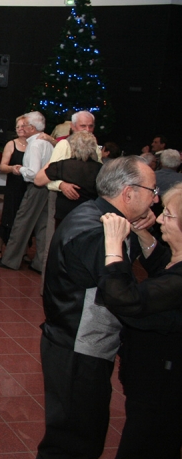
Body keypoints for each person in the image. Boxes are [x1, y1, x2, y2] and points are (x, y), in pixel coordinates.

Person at [37, 156, 158, 459]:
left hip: (69, 342)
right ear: (128, 192)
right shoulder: (100, 231)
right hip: (79, 350)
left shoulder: (94, 214)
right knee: (76, 440)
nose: (155, 199)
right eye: (152, 191)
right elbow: (121, 296)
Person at [98, 184, 182, 458]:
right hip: (154, 377)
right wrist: (139, 231)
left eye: (167, 215)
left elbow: (125, 299)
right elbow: (162, 263)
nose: (158, 219)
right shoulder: (176, 260)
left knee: (146, 443)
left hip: (162, 385)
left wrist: (113, 247)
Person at [0, 111, 54, 273]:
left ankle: (10, 260)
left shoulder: (35, 144)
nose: (23, 127)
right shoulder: (47, 143)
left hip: (35, 188)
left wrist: (21, 169)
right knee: (43, 227)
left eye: (26, 124)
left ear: (32, 128)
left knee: (21, 224)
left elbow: (33, 173)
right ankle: (40, 263)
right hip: (48, 189)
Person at [35, 131, 102, 224]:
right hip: (91, 214)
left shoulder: (63, 165)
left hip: (65, 216)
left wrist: (50, 162)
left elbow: (38, 180)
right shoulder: (101, 169)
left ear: (72, 148)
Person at [0, 116, 29, 261]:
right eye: (18, 126)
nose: (20, 129)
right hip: (13, 186)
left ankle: (22, 251)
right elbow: (2, 167)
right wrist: (12, 168)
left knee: (26, 219)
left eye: (23, 126)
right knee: (8, 217)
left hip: (28, 186)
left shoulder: (35, 144)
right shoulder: (11, 144)